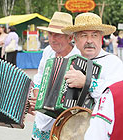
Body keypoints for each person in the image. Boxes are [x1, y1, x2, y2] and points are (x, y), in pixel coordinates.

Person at [29, 11, 80, 140]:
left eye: (57, 35)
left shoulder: (79, 57)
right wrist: (38, 96)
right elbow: (40, 75)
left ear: (70, 38)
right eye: (50, 34)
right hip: (42, 119)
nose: (52, 39)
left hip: (65, 121)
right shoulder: (48, 51)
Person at [62, 12, 123, 103]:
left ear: (100, 39)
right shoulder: (68, 61)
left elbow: (117, 96)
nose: (89, 40)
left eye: (94, 35)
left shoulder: (113, 62)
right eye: (84, 35)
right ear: (76, 39)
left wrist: (87, 83)